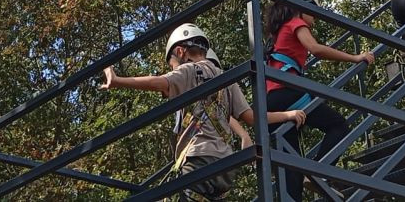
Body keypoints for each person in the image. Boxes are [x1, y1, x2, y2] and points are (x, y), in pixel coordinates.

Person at [102, 23, 305, 199]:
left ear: (180, 51)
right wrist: (288, 114)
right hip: (225, 166)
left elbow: (160, 83)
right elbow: (252, 118)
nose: (173, 69)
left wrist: (118, 81)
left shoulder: (188, 70)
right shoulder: (226, 78)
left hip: (198, 159)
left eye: (172, 64)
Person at [263, 0, 373, 201]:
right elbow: (315, 49)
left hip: (272, 100)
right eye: (313, 12)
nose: (314, 19)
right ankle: (319, 173)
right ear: (302, 6)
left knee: (291, 165)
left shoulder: (275, 35)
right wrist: (355, 58)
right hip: (289, 92)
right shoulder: (295, 22)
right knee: (338, 125)